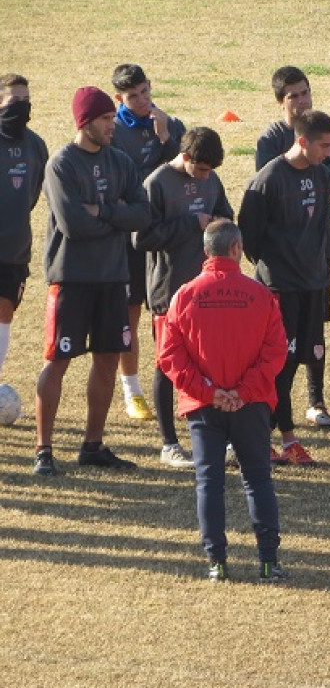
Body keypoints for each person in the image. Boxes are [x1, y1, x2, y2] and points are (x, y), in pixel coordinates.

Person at [158, 220, 288, 582]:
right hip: (252, 405)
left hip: (203, 408)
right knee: (258, 479)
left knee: (209, 481)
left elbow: (170, 356)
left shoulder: (184, 296)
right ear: (236, 249)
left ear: (206, 251)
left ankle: (216, 562)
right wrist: (243, 392)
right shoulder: (261, 295)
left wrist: (207, 392)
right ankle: (267, 561)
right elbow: (276, 352)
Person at [33, 86, 152, 476]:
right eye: (105, 119)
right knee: (59, 359)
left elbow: (142, 215)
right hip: (72, 279)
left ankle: (93, 445)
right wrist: (115, 213)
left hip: (113, 277)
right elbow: (73, 225)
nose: (112, 125)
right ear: (85, 123)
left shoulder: (120, 161)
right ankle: (43, 450)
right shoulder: (61, 164)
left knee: (107, 360)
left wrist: (101, 210)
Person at [240, 110, 330, 465]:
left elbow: (321, 227)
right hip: (279, 287)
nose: (329, 153)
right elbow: (250, 238)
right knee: (276, 365)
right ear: (302, 141)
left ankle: (279, 438)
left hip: (313, 284)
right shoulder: (267, 180)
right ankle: (269, 438)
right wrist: (276, 271)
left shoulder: (323, 176)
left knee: (297, 360)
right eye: (323, 146)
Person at [255, 66, 330, 429]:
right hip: (282, 261)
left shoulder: (326, 130)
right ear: (281, 101)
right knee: (282, 338)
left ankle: (316, 400)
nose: (301, 100)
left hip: (319, 248)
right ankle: (276, 407)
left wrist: (316, 164)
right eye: (293, 95)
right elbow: (268, 191)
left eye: (305, 92)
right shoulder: (270, 141)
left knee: (315, 329)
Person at [134, 127, 233, 468]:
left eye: (210, 171)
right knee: (168, 364)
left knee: (212, 361)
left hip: (208, 289)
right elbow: (143, 238)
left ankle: (219, 437)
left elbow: (226, 215)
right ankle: (169, 444)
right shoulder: (157, 183)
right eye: (202, 169)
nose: (206, 177)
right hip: (169, 290)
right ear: (187, 157)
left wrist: (219, 221)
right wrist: (193, 223)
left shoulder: (211, 179)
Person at [111, 64, 186, 424]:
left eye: (145, 91)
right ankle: (133, 391)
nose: (142, 101)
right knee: (130, 313)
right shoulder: (112, 132)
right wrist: (161, 148)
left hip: (165, 238)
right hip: (128, 240)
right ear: (118, 99)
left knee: (170, 315)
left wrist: (166, 138)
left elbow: (182, 170)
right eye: (133, 96)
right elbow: (131, 187)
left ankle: (175, 385)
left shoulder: (169, 124)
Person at [0, 75, 48, 392]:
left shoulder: (36, 146)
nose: (22, 108)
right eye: (14, 102)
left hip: (14, 249)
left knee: (4, 315)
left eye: (26, 101)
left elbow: (32, 196)